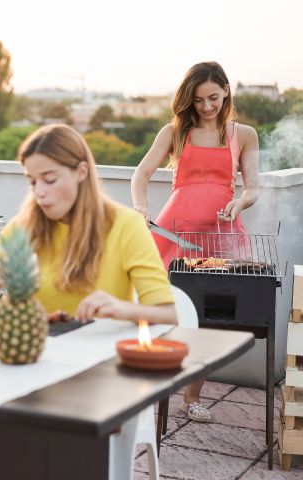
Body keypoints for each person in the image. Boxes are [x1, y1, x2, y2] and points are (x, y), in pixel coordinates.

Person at [131, 61, 260, 422]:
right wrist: (141, 207)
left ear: (226, 93)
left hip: (221, 234)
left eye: (214, 98)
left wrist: (240, 202)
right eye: (199, 100)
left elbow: (253, 187)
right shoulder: (174, 132)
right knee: (164, 310)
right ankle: (146, 388)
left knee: (214, 318)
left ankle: (191, 398)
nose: (206, 106)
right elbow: (141, 174)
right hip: (175, 230)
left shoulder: (243, 135)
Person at [0, 123, 177, 326]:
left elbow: (169, 314)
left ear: (81, 171)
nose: (39, 192)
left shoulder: (126, 225)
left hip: (98, 355)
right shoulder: (26, 224)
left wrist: (122, 308)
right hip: (37, 352)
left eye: (49, 180)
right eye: (32, 181)